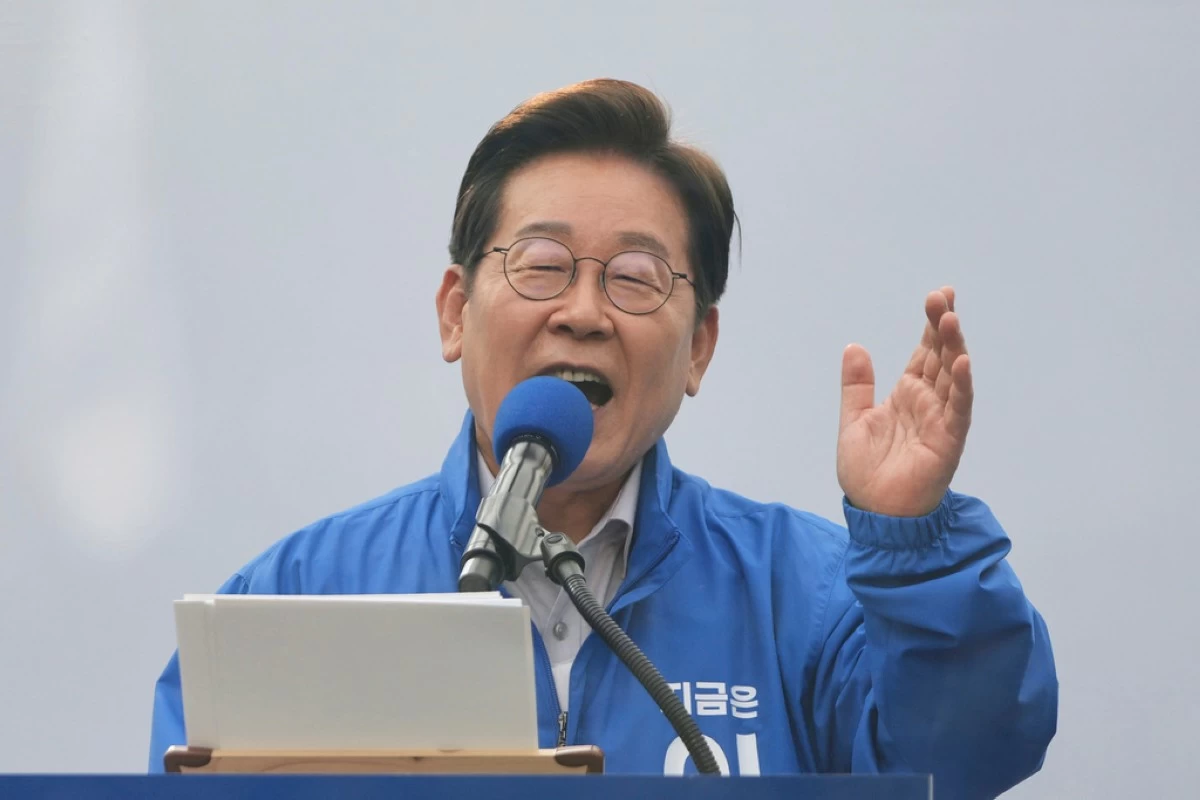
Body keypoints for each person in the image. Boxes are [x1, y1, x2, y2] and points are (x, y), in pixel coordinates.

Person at [148, 79, 1058, 797]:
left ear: (698, 347)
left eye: (634, 277)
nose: (581, 313)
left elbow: (964, 759)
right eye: (542, 265)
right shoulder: (301, 600)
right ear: (455, 314)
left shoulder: (809, 603)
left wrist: (913, 549)